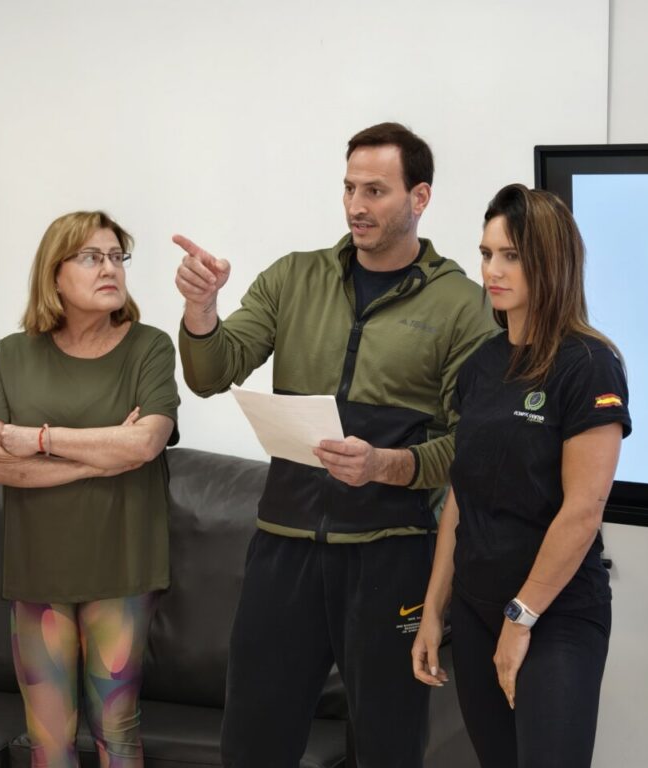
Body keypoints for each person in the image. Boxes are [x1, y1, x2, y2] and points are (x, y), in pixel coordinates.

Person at [173, 122, 496, 767]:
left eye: (375, 190)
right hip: (283, 547)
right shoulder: (294, 278)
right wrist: (202, 311)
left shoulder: (464, 304)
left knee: (387, 746)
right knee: (253, 743)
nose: (356, 205)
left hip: (390, 556)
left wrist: (390, 464)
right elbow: (210, 373)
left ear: (420, 197)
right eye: (349, 187)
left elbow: (476, 447)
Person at [411, 184, 631, 768]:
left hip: (555, 614)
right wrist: (435, 609)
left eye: (511, 256)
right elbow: (463, 495)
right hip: (478, 608)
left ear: (550, 262)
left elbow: (583, 511)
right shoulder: (482, 365)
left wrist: (521, 618)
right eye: (487, 254)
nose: (493, 270)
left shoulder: (588, 364)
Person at [0, 211, 179, 766]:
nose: (110, 268)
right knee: (46, 738)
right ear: (55, 274)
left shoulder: (149, 348)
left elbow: (144, 445)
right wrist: (99, 458)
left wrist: (40, 439)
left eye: (117, 257)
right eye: (92, 257)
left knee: (116, 729)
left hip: (122, 567)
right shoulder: (13, 355)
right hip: (37, 572)